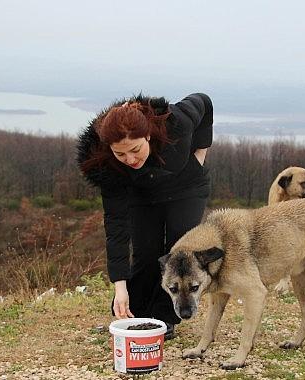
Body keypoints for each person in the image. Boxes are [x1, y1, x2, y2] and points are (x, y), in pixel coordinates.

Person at [77, 93, 213, 339]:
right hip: (143, 195)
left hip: (186, 189)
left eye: (135, 149)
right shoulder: (107, 168)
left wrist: (200, 154)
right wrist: (119, 287)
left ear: (148, 134)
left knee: (175, 251)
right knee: (146, 253)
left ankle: (165, 318)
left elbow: (203, 102)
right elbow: (116, 228)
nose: (130, 159)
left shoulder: (177, 124)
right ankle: (134, 314)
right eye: (121, 154)